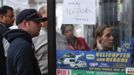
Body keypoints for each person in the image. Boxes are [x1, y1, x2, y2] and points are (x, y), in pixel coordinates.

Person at [3, 9, 46, 75]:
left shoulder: (19, 42)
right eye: (37, 22)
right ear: (25, 24)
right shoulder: (23, 46)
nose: (41, 25)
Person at [0, 5, 14, 75]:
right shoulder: (5, 32)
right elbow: (10, 55)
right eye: (11, 16)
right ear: (1, 17)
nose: (14, 19)